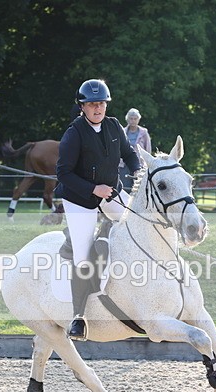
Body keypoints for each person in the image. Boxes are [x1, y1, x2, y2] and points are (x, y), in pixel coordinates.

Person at [56, 79, 141, 341]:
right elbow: (63, 174)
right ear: (82, 106)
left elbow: (128, 153)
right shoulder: (74, 133)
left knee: (137, 224)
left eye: (101, 103)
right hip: (80, 199)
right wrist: (94, 190)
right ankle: (78, 318)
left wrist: (138, 171)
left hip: (111, 192)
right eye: (92, 104)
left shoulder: (115, 125)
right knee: (82, 256)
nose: (97, 109)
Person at [118, 108, 151, 191]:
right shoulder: (123, 131)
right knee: (125, 187)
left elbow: (148, 149)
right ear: (127, 119)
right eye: (131, 118)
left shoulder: (144, 132)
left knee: (138, 187)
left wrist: (147, 163)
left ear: (138, 119)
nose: (133, 121)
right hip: (124, 163)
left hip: (139, 164)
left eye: (135, 119)